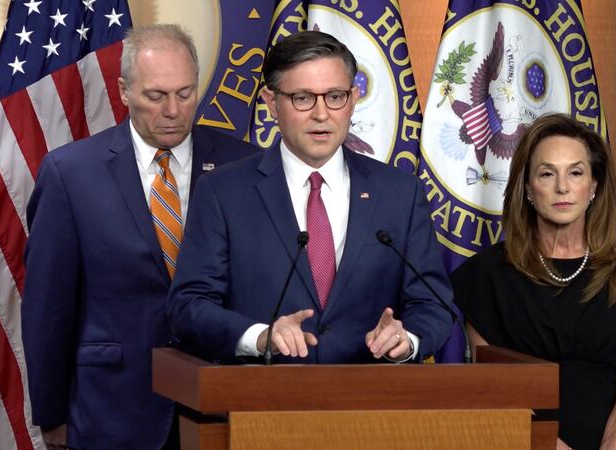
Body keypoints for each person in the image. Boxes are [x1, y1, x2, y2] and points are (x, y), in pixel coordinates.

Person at [21, 24, 258, 450]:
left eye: (185, 93)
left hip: (220, 406)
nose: (173, 110)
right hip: (109, 410)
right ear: (124, 91)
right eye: (156, 95)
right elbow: (47, 308)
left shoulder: (245, 165)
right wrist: (52, 414)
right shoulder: (70, 174)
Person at [166, 30, 454, 366]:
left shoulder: (400, 194)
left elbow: (433, 305)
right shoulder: (222, 192)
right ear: (271, 103)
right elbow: (189, 305)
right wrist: (259, 336)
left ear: (354, 98)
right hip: (261, 404)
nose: (321, 114)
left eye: (335, 96)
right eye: (303, 98)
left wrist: (408, 339)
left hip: (373, 404)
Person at [451, 113, 616, 450]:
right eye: (547, 173)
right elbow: (495, 391)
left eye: (575, 173)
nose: (562, 187)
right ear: (528, 188)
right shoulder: (486, 277)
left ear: (594, 186)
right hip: (520, 443)